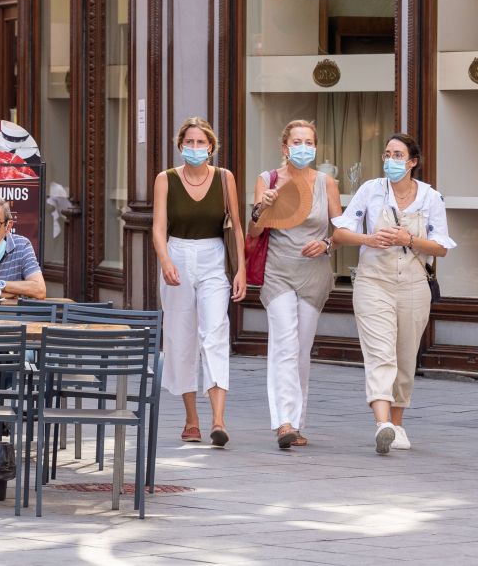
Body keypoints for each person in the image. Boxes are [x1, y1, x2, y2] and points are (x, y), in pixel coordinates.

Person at [332, 134, 455, 454]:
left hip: (414, 285)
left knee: (404, 357)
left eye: (398, 155)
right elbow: (340, 232)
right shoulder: (370, 190)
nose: (390, 160)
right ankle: (382, 423)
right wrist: (369, 240)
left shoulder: (430, 198)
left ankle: (397, 424)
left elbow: (441, 247)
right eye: (387, 154)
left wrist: (408, 238)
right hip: (373, 281)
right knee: (380, 354)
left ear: (412, 162)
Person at [248, 119, 342, 449]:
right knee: (284, 345)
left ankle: (298, 422)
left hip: (314, 272)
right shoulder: (268, 180)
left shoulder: (325, 183)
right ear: (285, 147)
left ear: (315, 147)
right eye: (297, 141)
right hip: (278, 271)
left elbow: (340, 229)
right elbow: (255, 231)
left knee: (301, 349)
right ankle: (283, 422)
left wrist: (327, 244)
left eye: (309, 142)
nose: (303, 147)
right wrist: (264, 207)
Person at [152, 117, 246, 447]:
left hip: (213, 256)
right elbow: (158, 227)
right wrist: (165, 261)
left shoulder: (224, 178)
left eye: (201, 143)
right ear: (180, 146)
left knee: (216, 331)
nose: (195, 148)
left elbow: (236, 224)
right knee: (180, 337)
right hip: (177, 251)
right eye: (189, 143)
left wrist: (241, 270)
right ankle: (191, 417)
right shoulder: (166, 179)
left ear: (211, 146)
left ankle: (218, 419)